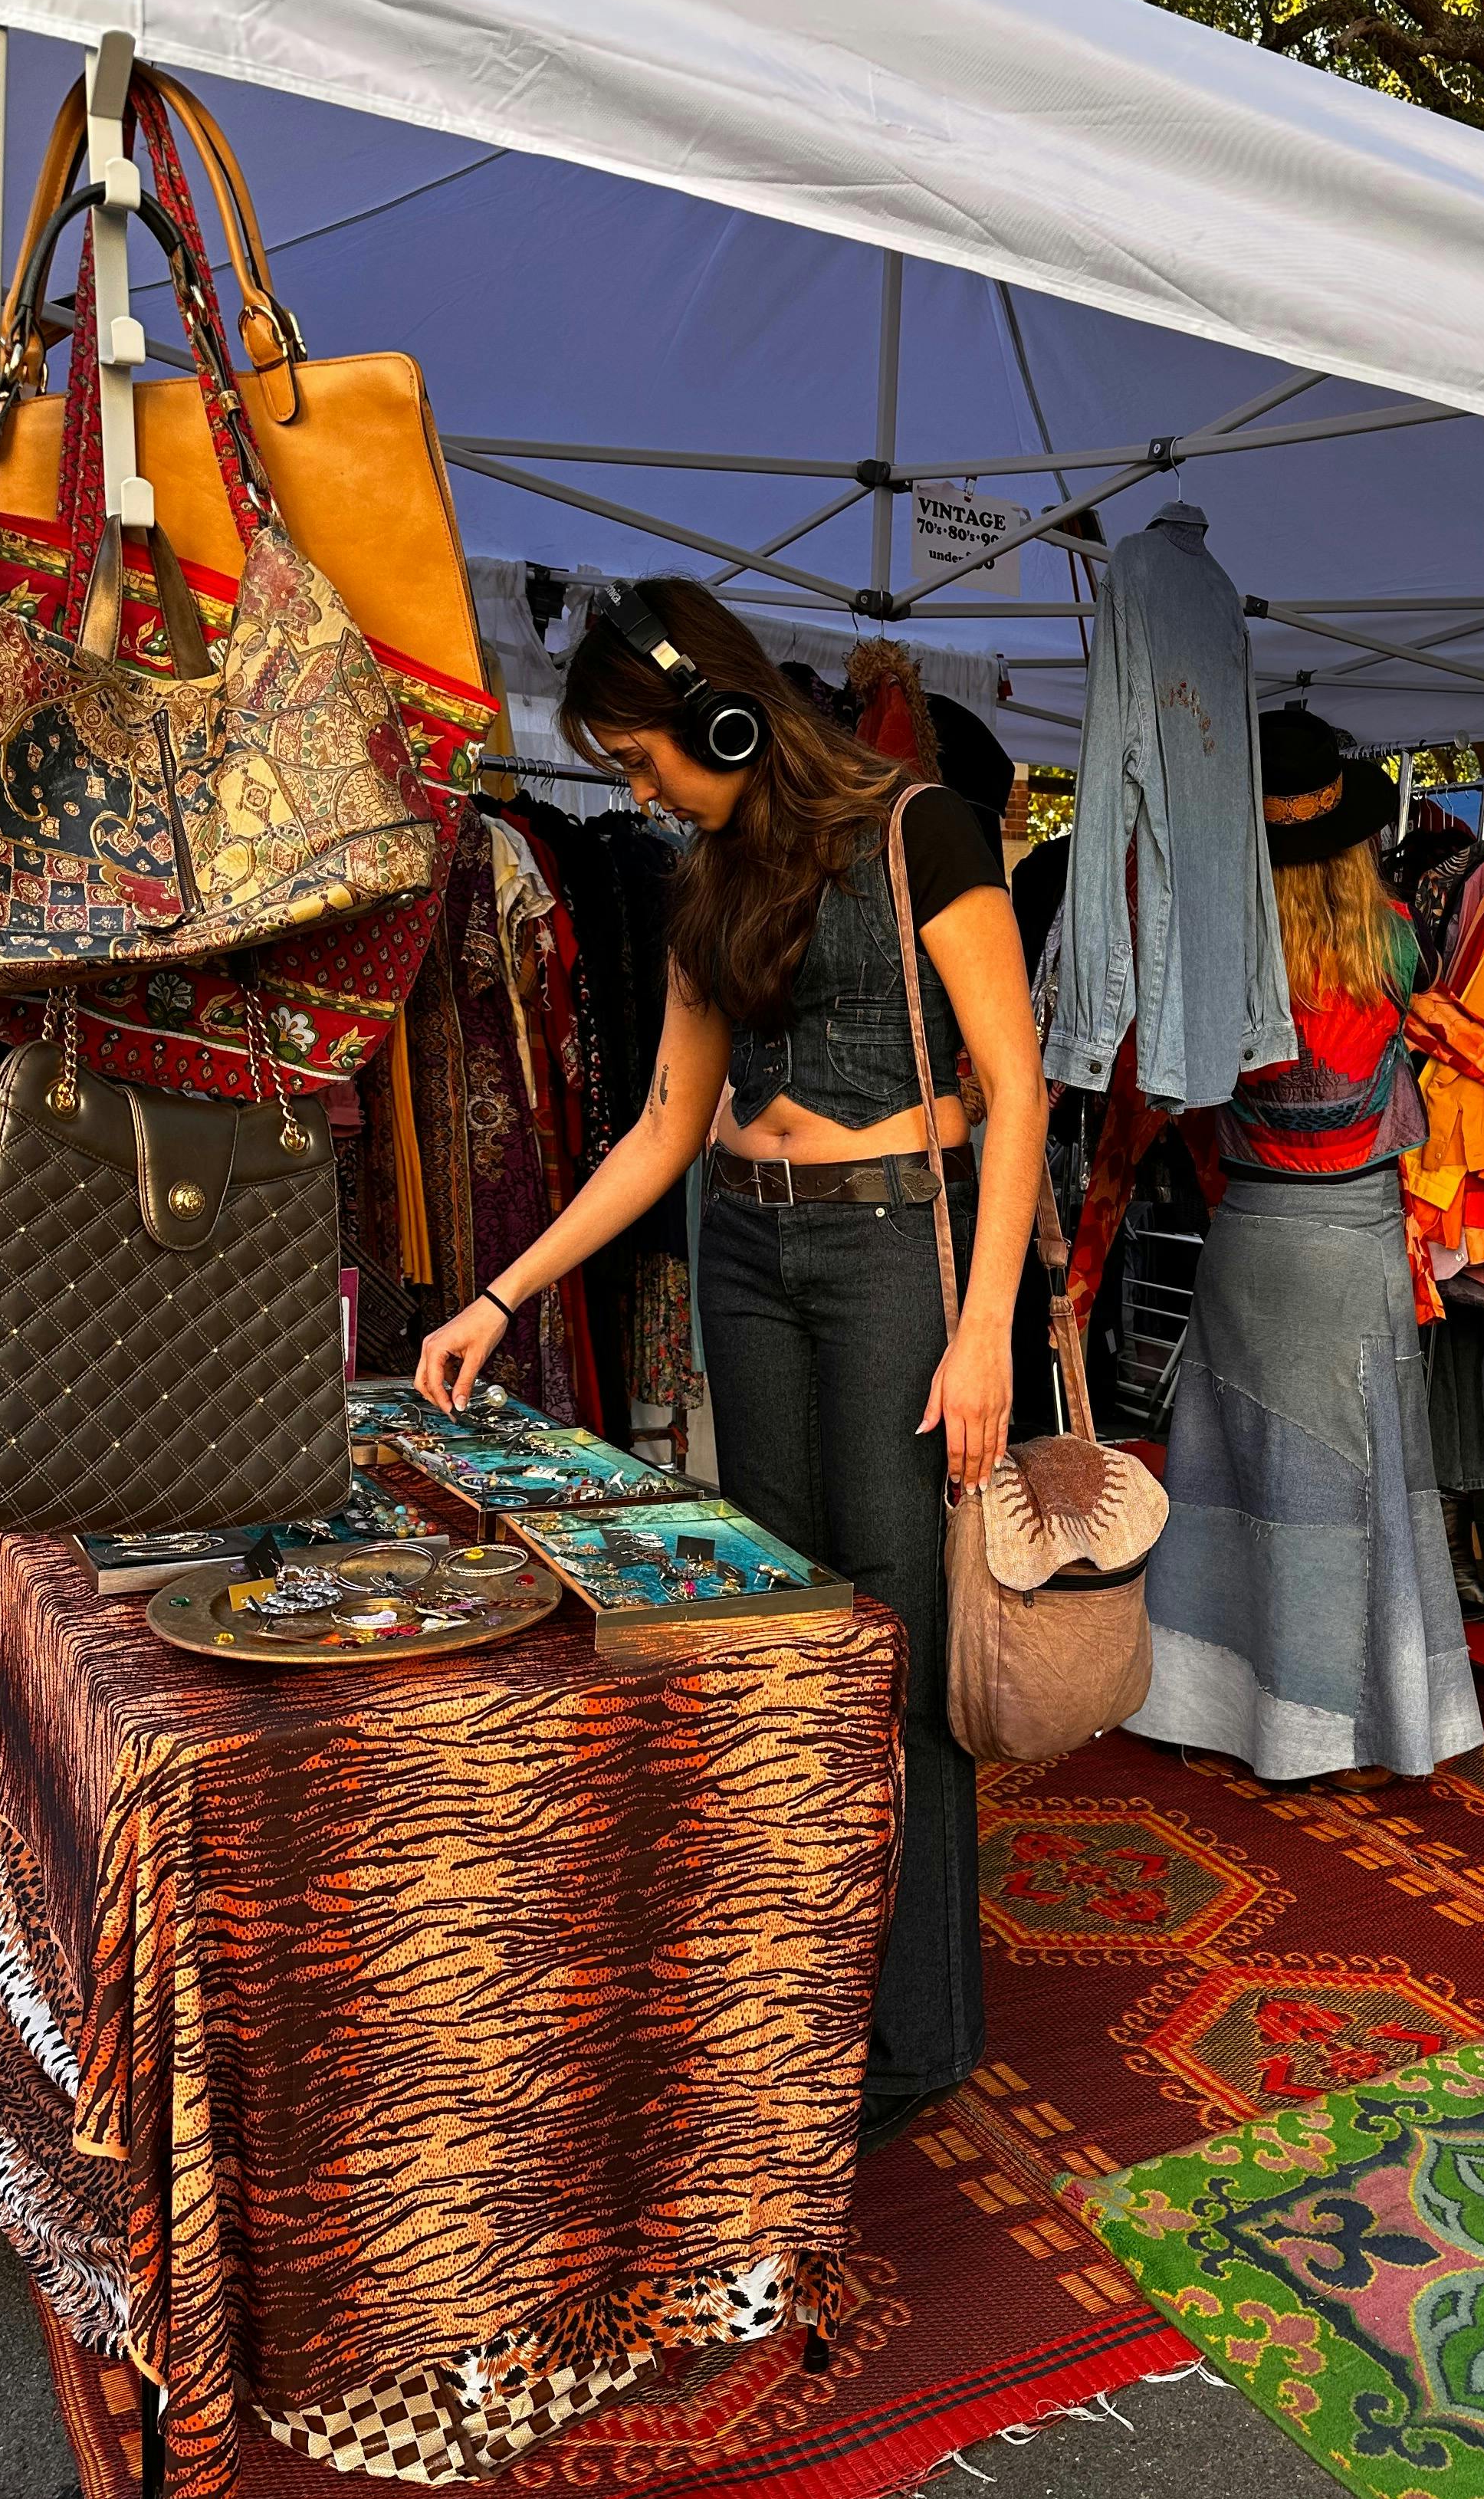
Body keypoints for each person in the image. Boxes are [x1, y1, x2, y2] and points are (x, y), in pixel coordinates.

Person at [416, 579, 1047, 2148]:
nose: (632, 791)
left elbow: (1019, 1092)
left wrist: (983, 1337)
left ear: (722, 716)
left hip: (900, 1251)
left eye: (640, 759)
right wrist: (503, 1291)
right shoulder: (709, 876)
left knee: (895, 1641)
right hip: (749, 1262)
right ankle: (812, 1993)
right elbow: (659, 1129)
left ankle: (918, 2036)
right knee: (792, 1635)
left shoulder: (926, 832)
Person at [1127, 709, 1483, 1783]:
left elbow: (1175, 1102)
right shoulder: (1395, 947)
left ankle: (1218, 1707)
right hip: (1356, 1243)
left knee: (1234, 1476)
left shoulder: (1215, 959)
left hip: (1250, 1235)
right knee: (1358, 1488)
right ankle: (1354, 1726)